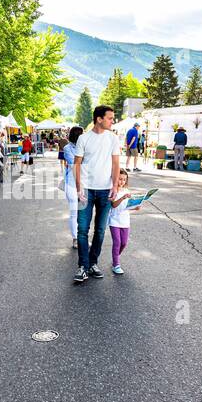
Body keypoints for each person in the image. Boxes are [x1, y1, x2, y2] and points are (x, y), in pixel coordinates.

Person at [73, 105, 120, 284]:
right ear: (99, 119)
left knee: (100, 230)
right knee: (82, 229)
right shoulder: (84, 139)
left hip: (105, 191)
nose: (112, 121)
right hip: (85, 190)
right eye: (109, 118)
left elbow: (116, 164)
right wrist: (78, 188)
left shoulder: (113, 138)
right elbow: (77, 164)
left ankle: (93, 263)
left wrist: (115, 186)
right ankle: (83, 267)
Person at [61, 128, 83, 250]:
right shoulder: (68, 148)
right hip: (72, 184)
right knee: (74, 212)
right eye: (81, 134)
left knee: (84, 212)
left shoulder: (86, 146)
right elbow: (74, 164)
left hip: (86, 183)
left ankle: (82, 237)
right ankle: (75, 238)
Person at [108, 169, 133, 275]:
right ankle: (116, 264)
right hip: (114, 221)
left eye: (124, 180)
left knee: (124, 243)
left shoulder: (126, 191)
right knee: (117, 242)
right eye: (120, 179)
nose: (122, 182)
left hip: (125, 221)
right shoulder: (112, 191)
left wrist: (136, 206)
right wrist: (122, 198)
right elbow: (113, 205)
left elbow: (128, 206)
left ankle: (115, 258)